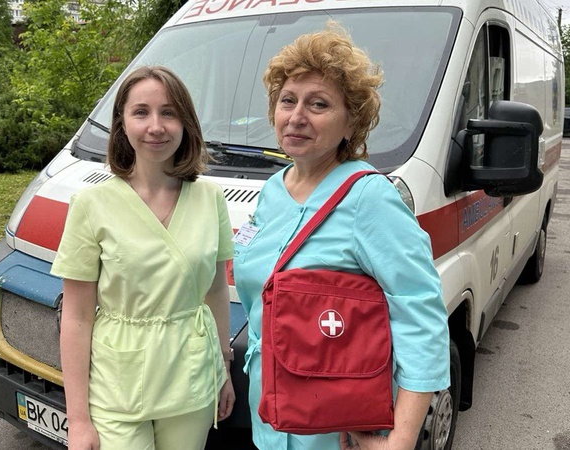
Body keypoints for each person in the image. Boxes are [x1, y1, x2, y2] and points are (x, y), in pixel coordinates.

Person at [232, 24, 450, 450]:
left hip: (338, 431)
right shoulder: (273, 190)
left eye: (318, 104)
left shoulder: (369, 198)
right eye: (287, 100)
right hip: (270, 418)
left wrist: (403, 438)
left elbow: (421, 316)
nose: (297, 116)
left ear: (351, 123)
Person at [51, 65, 235, 450]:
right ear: (122, 124)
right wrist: (78, 420)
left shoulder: (211, 199)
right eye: (141, 112)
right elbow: (77, 316)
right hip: (116, 384)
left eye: (169, 112)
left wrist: (223, 368)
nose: (156, 126)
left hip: (191, 377)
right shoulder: (91, 205)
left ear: (186, 123)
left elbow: (217, 289)